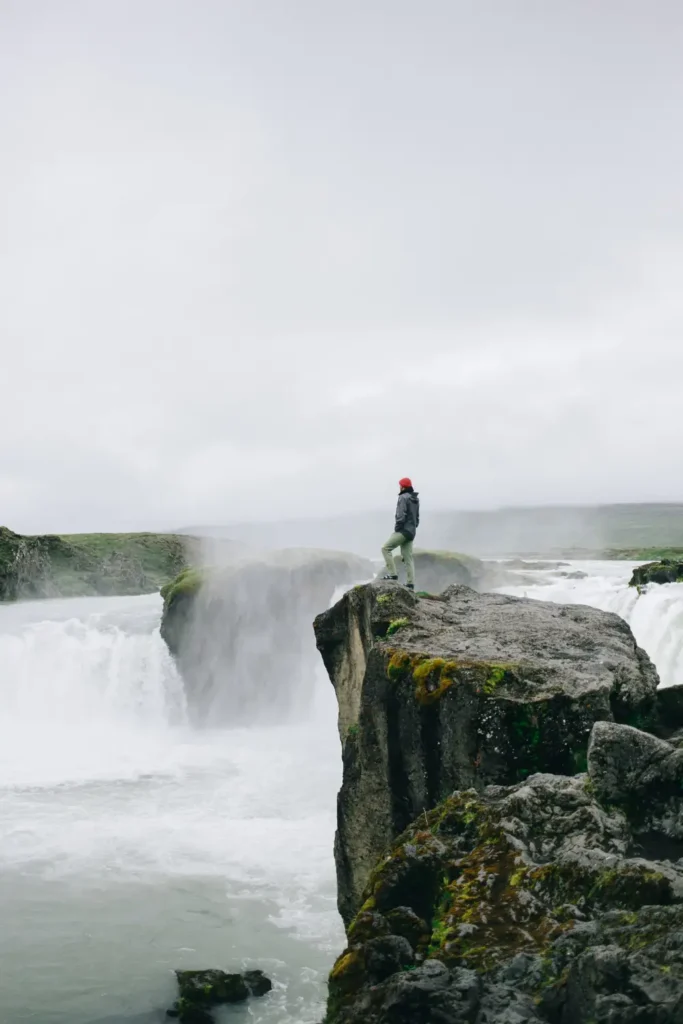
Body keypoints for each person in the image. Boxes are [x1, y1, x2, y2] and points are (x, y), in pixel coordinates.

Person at [381, 477, 420, 590]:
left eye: (400, 485)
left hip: (403, 530)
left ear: (403, 486)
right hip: (411, 532)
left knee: (385, 548)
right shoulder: (415, 499)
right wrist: (413, 528)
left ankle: (393, 575)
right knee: (408, 557)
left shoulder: (403, 497)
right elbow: (416, 518)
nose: (399, 486)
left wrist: (397, 528)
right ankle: (410, 584)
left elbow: (401, 515)